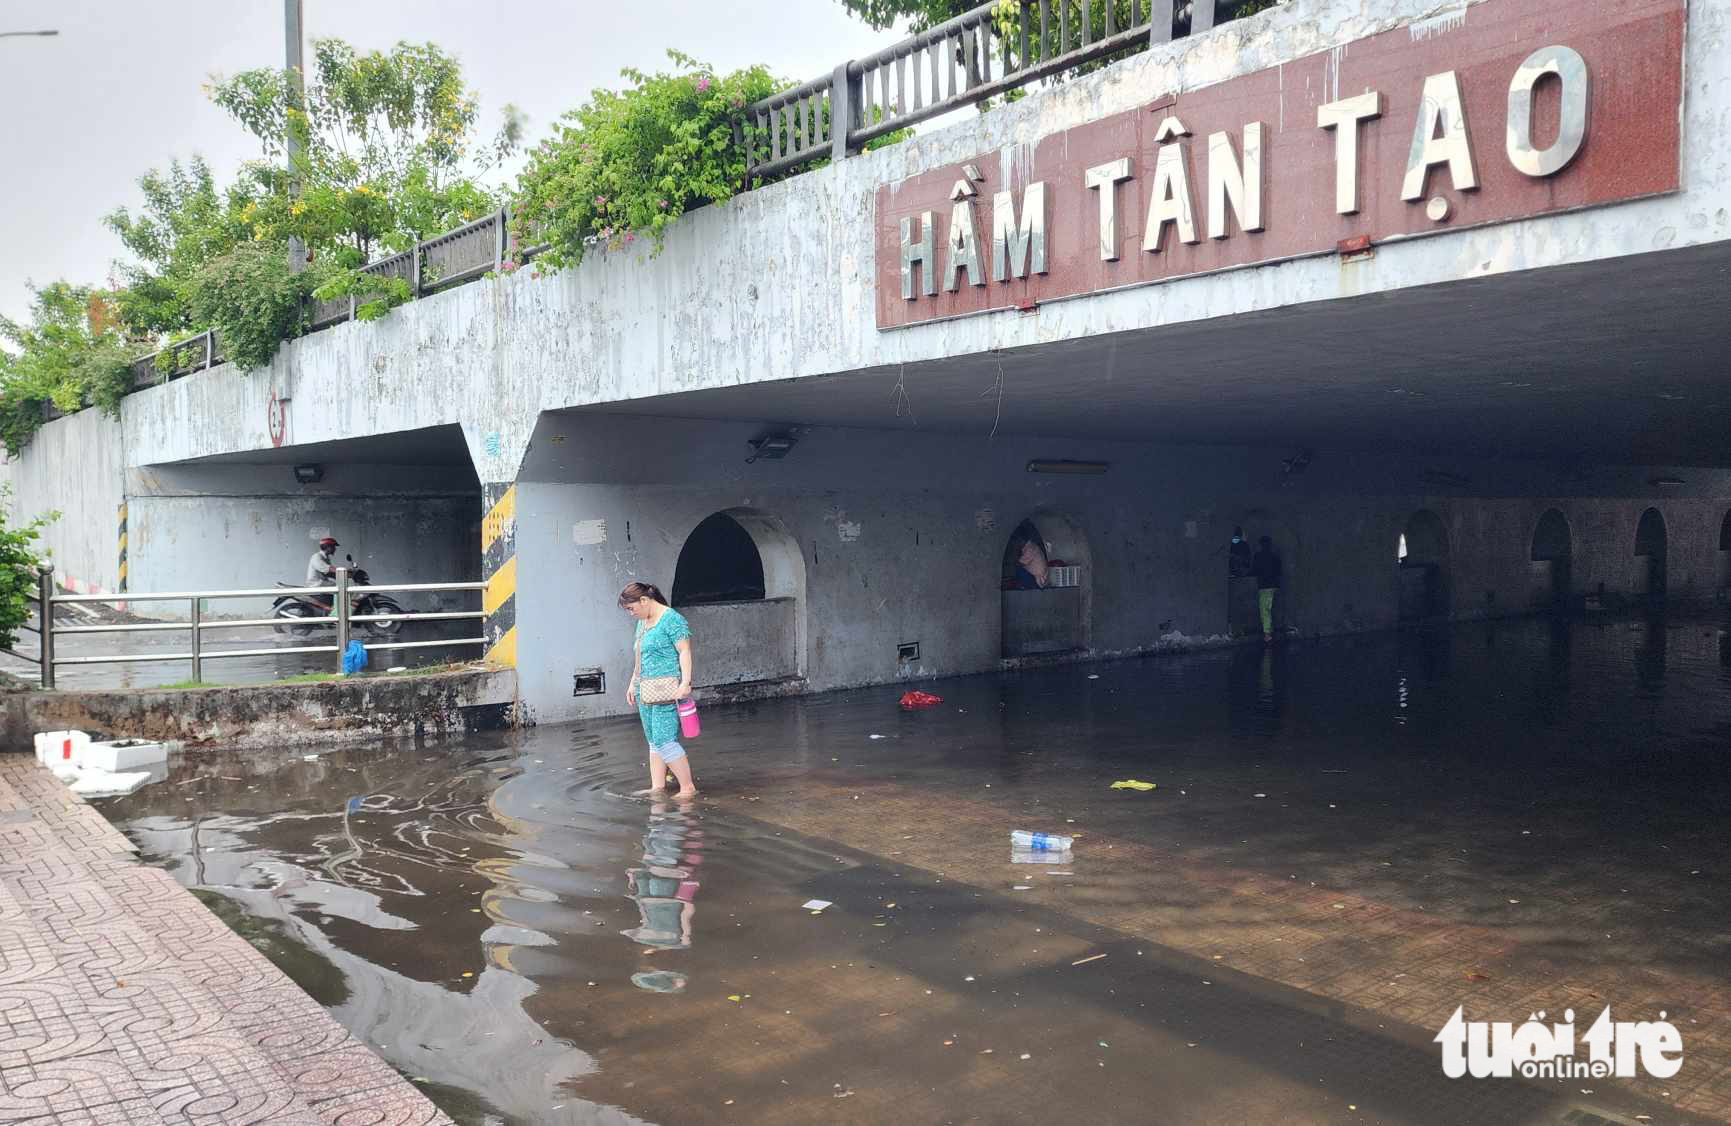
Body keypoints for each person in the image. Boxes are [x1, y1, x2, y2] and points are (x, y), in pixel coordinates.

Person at [621, 581, 697, 796]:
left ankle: (687, 788)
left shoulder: (671, 619)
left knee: (665, 740)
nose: (630, 613)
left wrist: (685, 682)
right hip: (644, 690)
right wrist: (631, 684)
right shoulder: (643, 622)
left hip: (666, 690)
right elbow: (640, 656)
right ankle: (657, 787)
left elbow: (684, 651)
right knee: (654, 740)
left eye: (631, 608)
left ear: (644, 600)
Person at [1251, 535, 1282, 643]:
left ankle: (1267, 634)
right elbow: (1279, 572)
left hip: (1264, 586)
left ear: (1261, 545)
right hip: (1274, 586)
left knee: (1265, 610)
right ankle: (1271, 631)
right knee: (1270, 608)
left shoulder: (1258, 556)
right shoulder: (1275, 557)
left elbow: (1253, 570)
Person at [305, 537, 340, 609]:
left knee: (337, 584)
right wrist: (343, 571)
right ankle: (336, 611)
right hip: (316, 584)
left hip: (321, 583)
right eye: (333, 547)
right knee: (338, 587)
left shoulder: (326, 558)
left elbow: (328, 573)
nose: (335, 549)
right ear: (327, 547)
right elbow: (329, 568)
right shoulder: (317, 557)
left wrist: (341, 576)